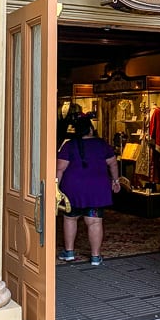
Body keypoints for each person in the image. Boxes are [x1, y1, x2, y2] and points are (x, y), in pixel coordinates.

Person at [56, 112, 120, 266]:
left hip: (73, 189)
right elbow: (113, 163)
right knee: (95, 222)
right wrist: (116, 180)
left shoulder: (69, 145)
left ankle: (69, 252)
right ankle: (96, 257)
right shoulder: (102, 144)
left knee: (70, 218)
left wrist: (55, 187)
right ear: (91, 129)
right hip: (97, 189)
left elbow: (60, 168)